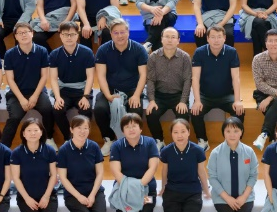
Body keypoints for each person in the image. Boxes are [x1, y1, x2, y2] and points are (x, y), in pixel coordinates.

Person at [57, 115, 108, 212]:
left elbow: (100, 174)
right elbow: (63, 178)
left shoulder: (94, 147)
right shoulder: (64, 150)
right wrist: (79, 196)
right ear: (71, 129)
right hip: (73, 194)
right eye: (79, 128)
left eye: (86, 128)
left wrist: (92, 195)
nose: (82, 131)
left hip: (94, 191)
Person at [207, 117, 259, 212]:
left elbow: (253, 176)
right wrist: (227, 198)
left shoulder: (249, 151)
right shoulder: (215, 153)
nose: (232, 134)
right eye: (228, 131)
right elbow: (212, 178)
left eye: (236, 131)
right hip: (222, 197)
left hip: (245, 196)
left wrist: (243, 197)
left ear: (241, 132)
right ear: (223, 132)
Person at [94, 18, 148, 156]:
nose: (120, 36)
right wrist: (108, 95)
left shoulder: (139, 49)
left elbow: (143, 75)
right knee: (100, 109)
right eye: (116, 33)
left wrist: (136, 95)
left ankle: (132, 141)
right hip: (110, 89)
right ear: (111, 34)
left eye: (122, 32)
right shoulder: (103, 50)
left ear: (128, 32)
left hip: (132, 89)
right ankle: (109, 139)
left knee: (135, 110)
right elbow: (101, 75)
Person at [191, 25, 244, 151]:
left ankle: (234, 141)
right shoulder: (199, 52)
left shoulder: (231, 52)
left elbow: (236, 78)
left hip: (226, 95)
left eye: (219, 37)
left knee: (239, 111)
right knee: (195, 112)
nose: (216, 40)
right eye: (213, 37)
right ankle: (202, 140)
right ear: (207, 38)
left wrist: (237, 100)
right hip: (205, 95)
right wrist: (197, 100)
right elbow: (195, 78)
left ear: (224, 38)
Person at [2, 21, 55, 148]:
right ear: (15, 36)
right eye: (19, 33)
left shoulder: (42, 51)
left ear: (32, 33)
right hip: (17, 93)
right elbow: (10, 80)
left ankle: (49, 138)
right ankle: (4, 147)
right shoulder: (10, 54)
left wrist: (35, 96)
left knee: (48, 110)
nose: (23, 35)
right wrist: (21, 99)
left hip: (37, 91)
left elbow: (44, 76)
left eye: (26, 32)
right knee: (14, 118)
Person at [145, 27, 192, 150]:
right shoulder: (153, 57)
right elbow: (150, 80)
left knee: (183, 114)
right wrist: (152, 100)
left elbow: (188, 80)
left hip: (178, 95)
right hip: (159, 95)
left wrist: (183, 101)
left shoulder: (185, 57)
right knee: (151, 114)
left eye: (173, 37)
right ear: (161, 39)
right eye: (167, 37)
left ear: (178, 40)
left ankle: (180, 142)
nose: (170, 40)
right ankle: (159, 140)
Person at [48, 21, 95, 142]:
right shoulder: (54, 54)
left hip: (82, 89)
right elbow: (53, 79)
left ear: (77, 35)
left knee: (86, 110)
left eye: (72, 34)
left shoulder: (87, 52)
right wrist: (58, 97)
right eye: (65, 34)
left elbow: (90, 77)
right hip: (64, 90)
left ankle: (82, 138)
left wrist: (85, 96)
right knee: (57, 110)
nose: (69, 37)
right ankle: (68, 138)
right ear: (60, 35)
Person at [251, 30, 277, 152]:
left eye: (276, 41)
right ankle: (274, 139)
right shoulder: (257, 59)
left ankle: (264, 134)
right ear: (265, 43)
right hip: (263, 92)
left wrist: (270, 98)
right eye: (270, 41)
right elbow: (259, 84)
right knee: (275, 107)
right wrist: (275, 94)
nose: (273, 44)